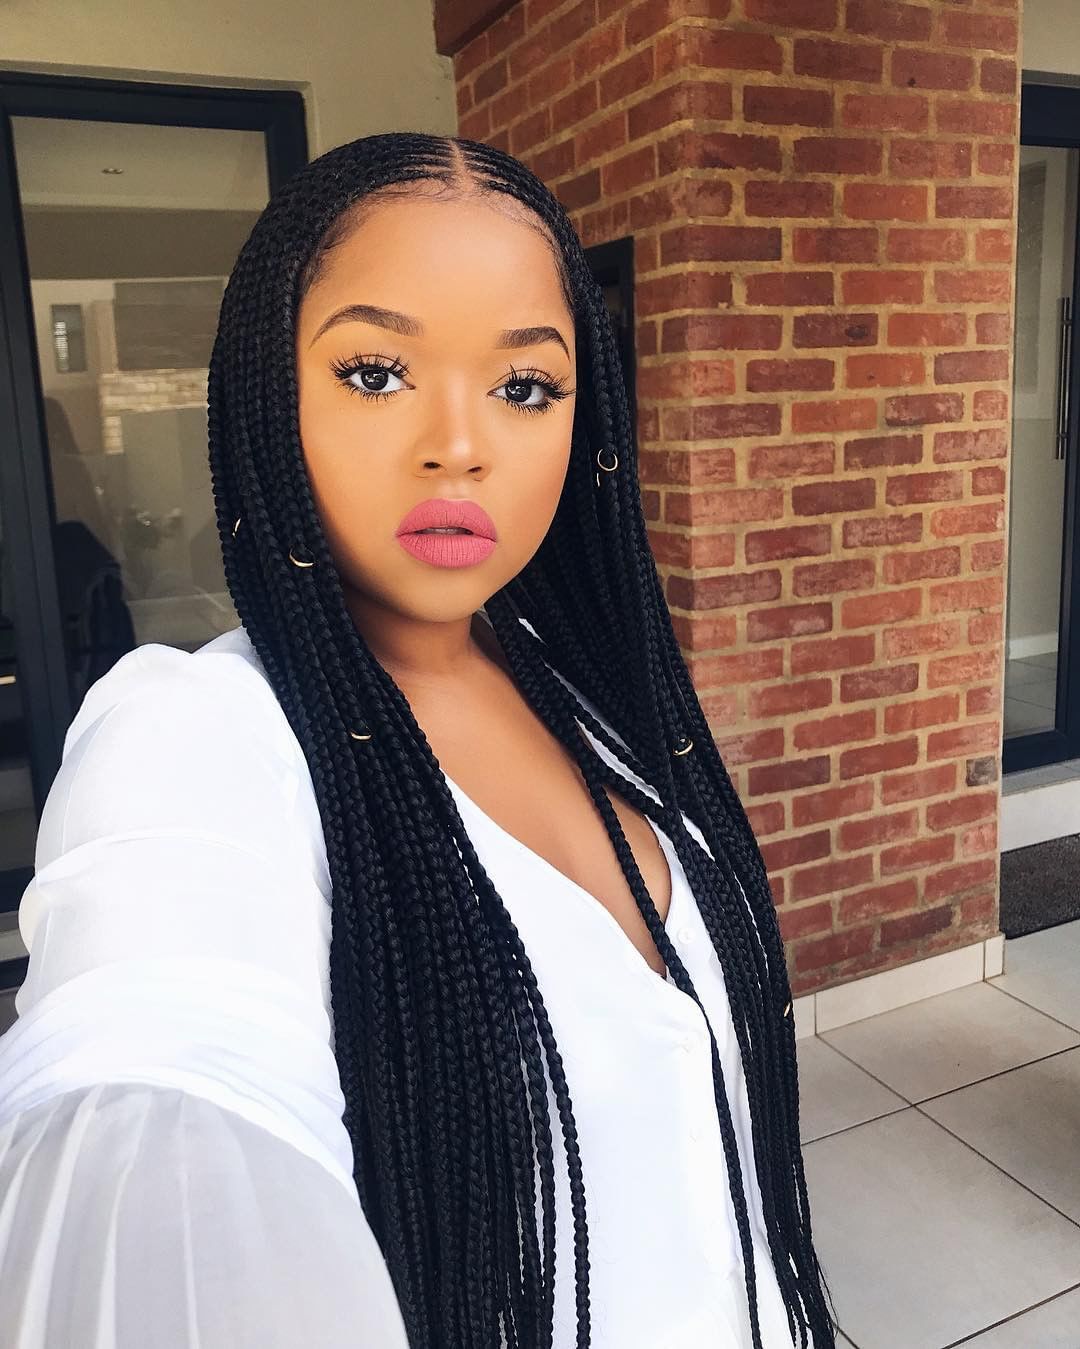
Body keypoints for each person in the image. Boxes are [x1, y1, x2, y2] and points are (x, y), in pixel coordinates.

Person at [0, 131, 840, 1348]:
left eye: (525, 385)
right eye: (377, 371)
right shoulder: (198, 739)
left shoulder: (578, 681)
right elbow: (162, 1092)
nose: (460, 441)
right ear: (266, 395)